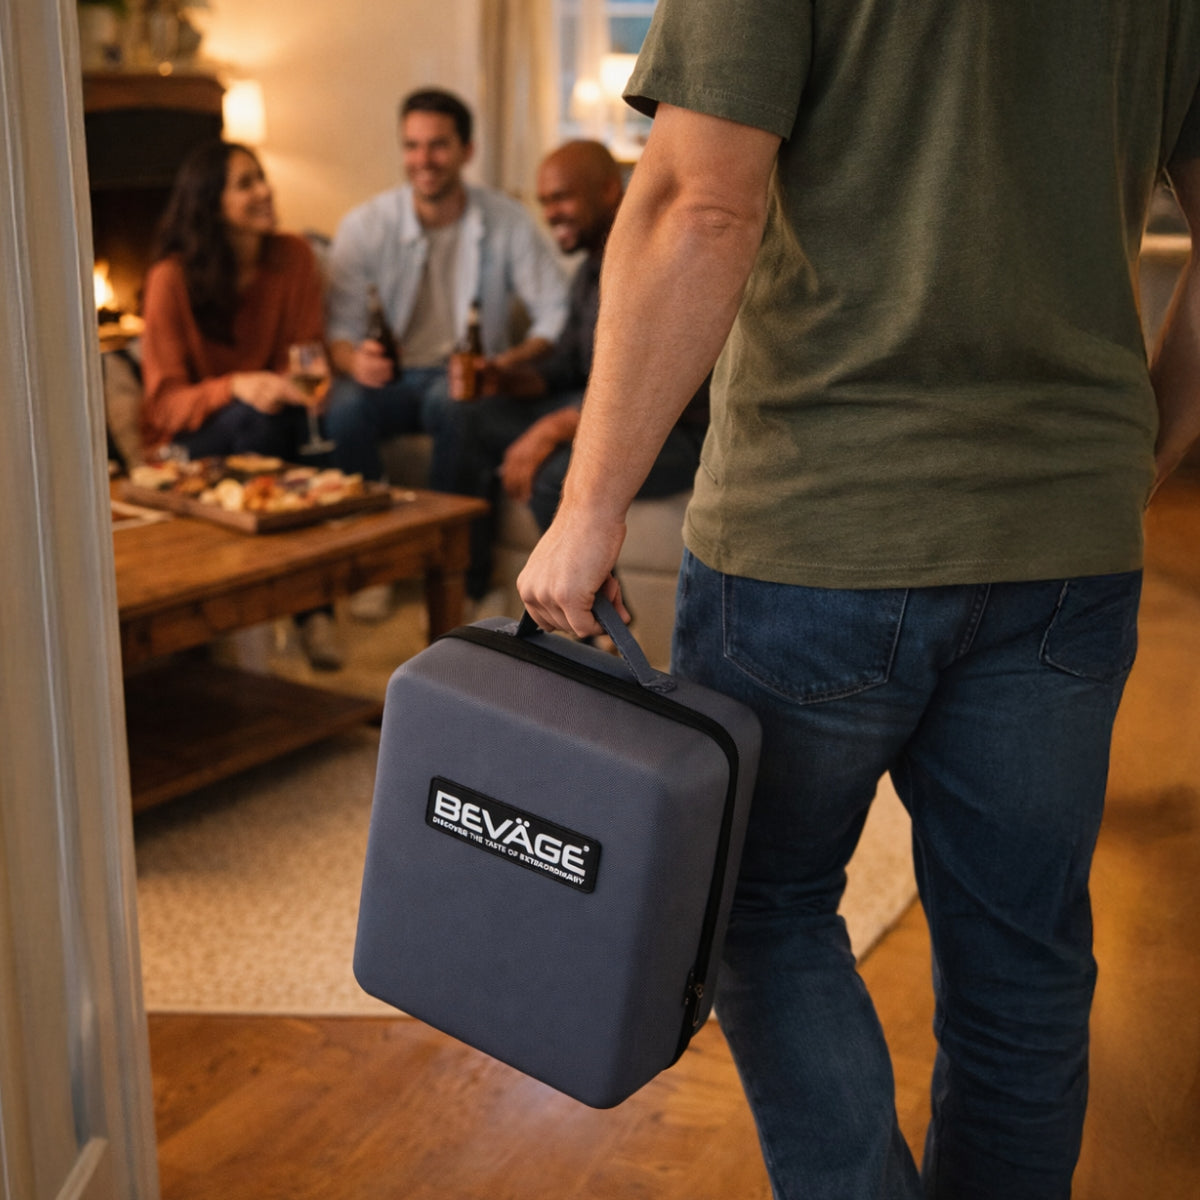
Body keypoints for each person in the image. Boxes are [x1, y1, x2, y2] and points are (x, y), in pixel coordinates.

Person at [516, 5, 1200, 1199]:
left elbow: (700, 202)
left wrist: (588, 507)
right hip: (1064, 537)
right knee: (1023, 961)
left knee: (761, 913)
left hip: (816, 521)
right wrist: (1138, 455)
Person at [458, 139, 708, 602]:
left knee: (557, 475)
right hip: (603, 417)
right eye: (545, 201)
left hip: (676, 434)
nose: (551, 213)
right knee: (470, 416)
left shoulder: (659, 260)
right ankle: (474, 588)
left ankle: (606, 631)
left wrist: (554, 427)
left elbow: (653, 391)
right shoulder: (591, 269)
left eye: (562, 197)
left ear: (610, 191)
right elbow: (565, 367)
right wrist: (504, 378)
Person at [140, 139, 343, 670]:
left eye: (261, 177)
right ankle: (306, 608)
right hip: (187, 443)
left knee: (311, 423)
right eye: (245, 183)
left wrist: (288, 386)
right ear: (210, 203)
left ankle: (295, 605)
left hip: (269, 419)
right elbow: (164, 406)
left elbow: (306, 355)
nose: (264, 191)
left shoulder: (293, 256)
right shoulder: (170, 279)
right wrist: (235, 386)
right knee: (263, 423)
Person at [323, 88, 569, 498]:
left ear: (466, 150)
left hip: (461, 378)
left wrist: (508, 362)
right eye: (412, 146)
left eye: (438, 146)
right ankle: (363, 539)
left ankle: (455, 553)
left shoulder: (507, 220)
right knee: (342, 408)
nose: (423, 161)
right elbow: (339, 330)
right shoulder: (364, 227)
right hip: (389, 379)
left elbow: (555, 308)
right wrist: (356, 361)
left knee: (458, 405)